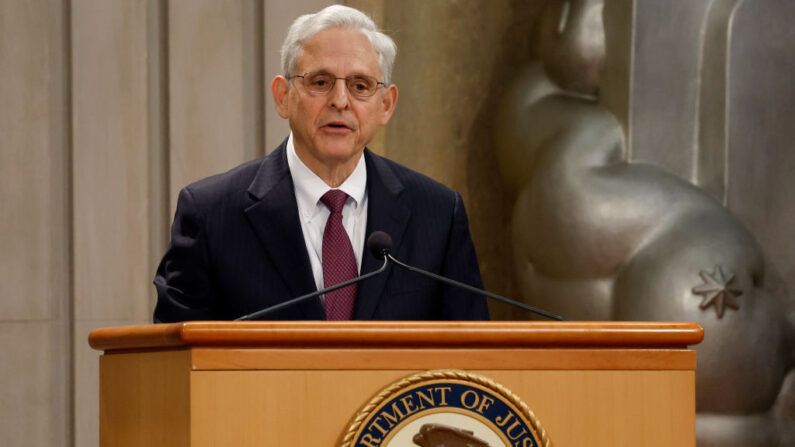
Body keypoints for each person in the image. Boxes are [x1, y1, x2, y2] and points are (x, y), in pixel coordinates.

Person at [153, 5, 488, 322]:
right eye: (320, 82)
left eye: (360, 86)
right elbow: (177, 364)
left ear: (386, 104)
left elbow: (472, 360)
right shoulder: (211, 215)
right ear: (283, 97)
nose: (340, 101)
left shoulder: (438, 215)